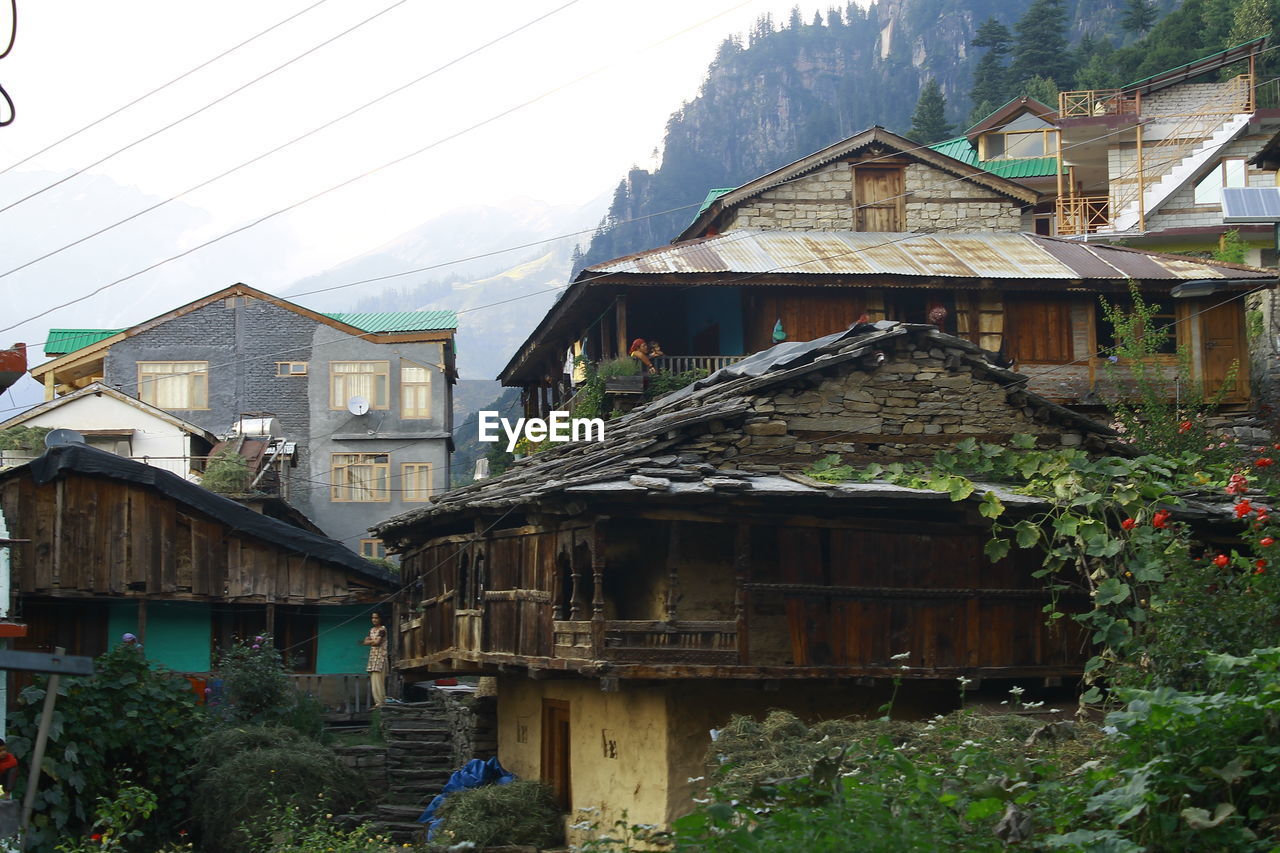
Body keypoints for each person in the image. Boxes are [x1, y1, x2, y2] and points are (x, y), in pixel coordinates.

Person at [361, 612, 388, 707]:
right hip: (373, 658)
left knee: (379, 680)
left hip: (380, 657)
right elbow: (364, 642)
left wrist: (370, 641)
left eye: (376, 618)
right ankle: (377, 702)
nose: (374, 620)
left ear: (380, 619)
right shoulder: (371, 630)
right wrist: (372, 641)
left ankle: (381, 702)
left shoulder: (382, 629)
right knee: (374, 680)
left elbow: (377, 642)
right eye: (373, 618)